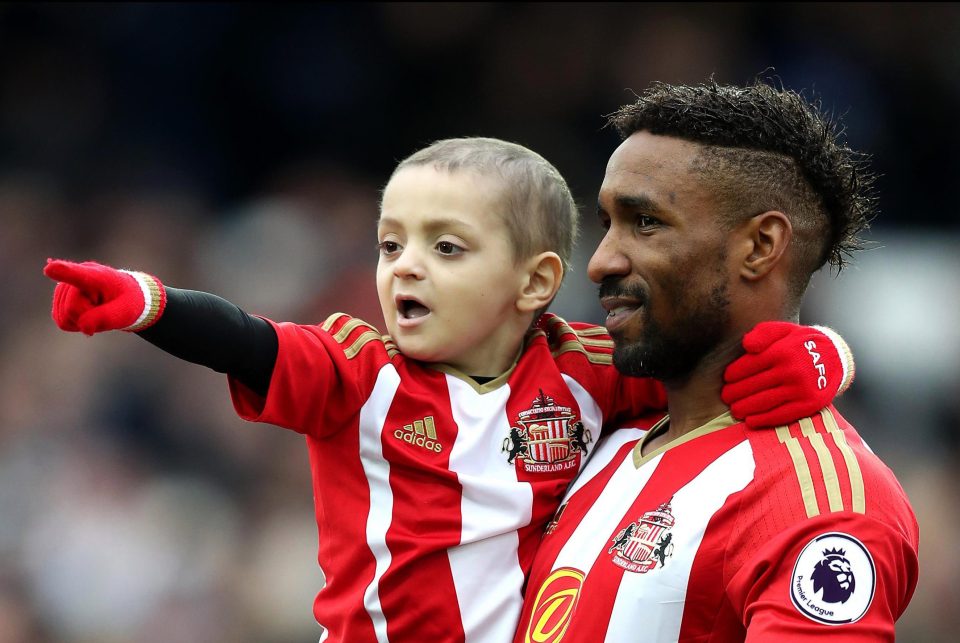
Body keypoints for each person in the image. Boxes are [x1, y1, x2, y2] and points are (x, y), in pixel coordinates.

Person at [43, 137, 853, 643]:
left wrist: (826, 355)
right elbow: (253, 343)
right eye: (390, 243)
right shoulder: (362, 372)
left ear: (534, 280)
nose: (407, 267)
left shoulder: (586, 368)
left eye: (447, 246)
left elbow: (708, 361)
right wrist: (152, 304)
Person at [513, 81, 919, 642]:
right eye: (608, 224)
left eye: (646, 223)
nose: (601, 261)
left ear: (759, 246)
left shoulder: (820, 502)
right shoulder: (595, 430)